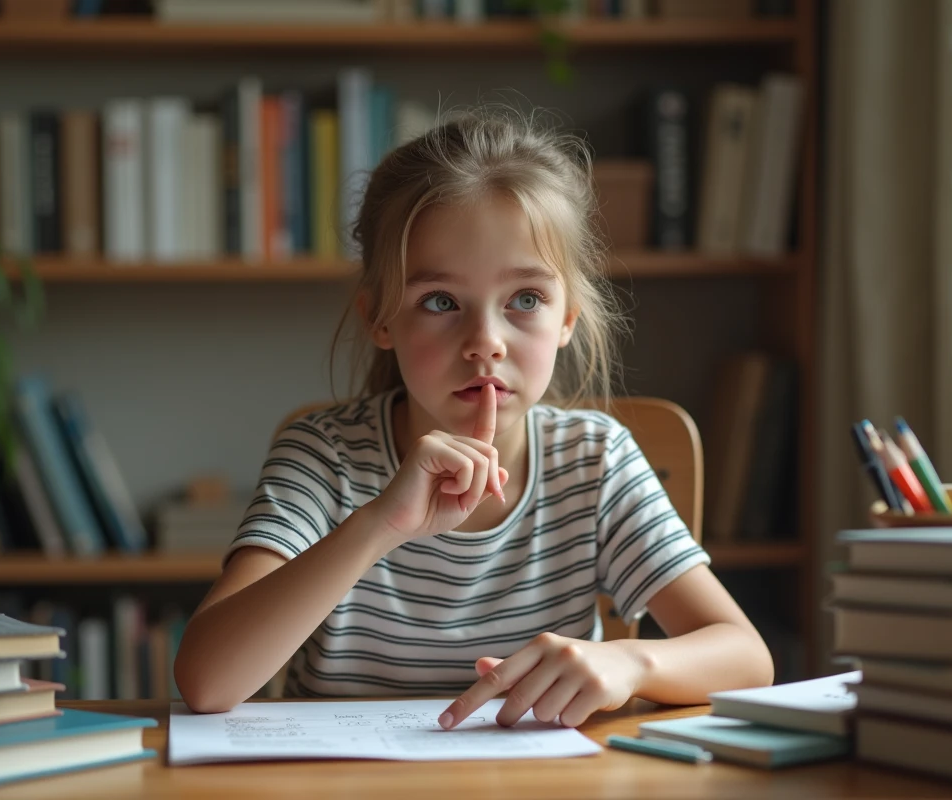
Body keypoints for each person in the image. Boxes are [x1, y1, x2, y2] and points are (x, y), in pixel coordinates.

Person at [173, 107, 773, 728]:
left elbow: (747, 657)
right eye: (440, 301)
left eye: (525, 299)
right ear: (380, 319)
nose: (485, 341)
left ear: (567, 318)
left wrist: (631, 663)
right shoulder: (324, 456)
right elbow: (207, 683)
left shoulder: (593, 462)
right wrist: (379, 525)